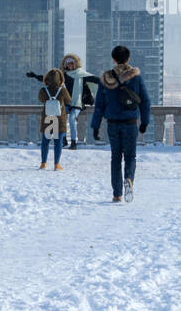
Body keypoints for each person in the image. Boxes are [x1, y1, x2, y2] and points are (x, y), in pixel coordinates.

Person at [90, 45, 152, 203]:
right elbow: (145, 101)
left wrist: (95, 126)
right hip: (130, 123)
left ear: (113, 59)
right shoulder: (136, 78)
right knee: (130, 156)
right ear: (128, 59)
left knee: (115, 157)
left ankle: (117, 194)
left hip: (112, 124)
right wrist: (144, 122)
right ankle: (129, 180)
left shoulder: (106, 79)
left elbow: (99, 105)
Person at [27, 53, 96, 149]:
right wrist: (35, 76)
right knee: (60, 118)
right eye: (68, 63)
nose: (70, 65)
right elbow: (49, 79)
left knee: (72, 119)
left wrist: (110, 81)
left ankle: (73, 143)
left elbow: (96, 80)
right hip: (66, 103)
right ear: (65, 64)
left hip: (77, 103)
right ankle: (63, 141)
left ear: (75, 64)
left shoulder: (82, 75)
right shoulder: (63, 76)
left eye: (72, 63)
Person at [37, 68, 71, 171]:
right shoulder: (62, 90)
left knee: (45, 142)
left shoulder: (43, 90)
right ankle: (56, 164)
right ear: (60, 79)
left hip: (47, 118)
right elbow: (69, 101)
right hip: (59, 119)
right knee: (58, 143)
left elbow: (40, 99)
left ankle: (43, 163)